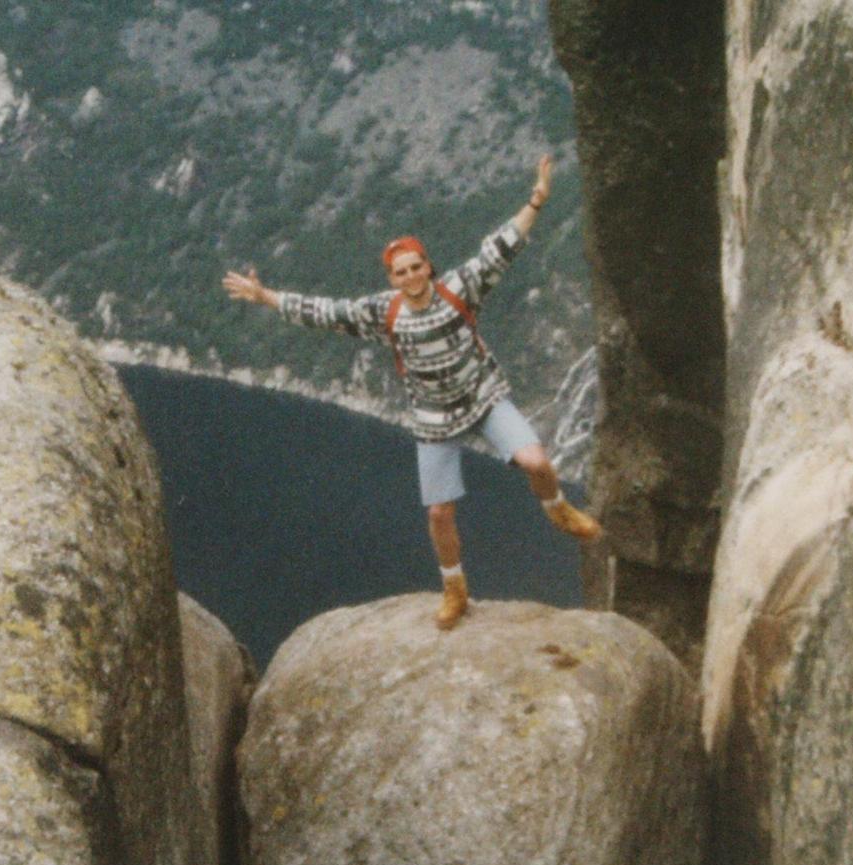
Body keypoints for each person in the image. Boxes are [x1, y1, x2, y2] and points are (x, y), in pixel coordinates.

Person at [221, 154, 601, 630]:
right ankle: (455, 589)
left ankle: (558, 510)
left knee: (538, 463)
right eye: (400, 272)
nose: (410, 276)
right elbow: (326, 312)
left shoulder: (460, 287)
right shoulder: (385, 313)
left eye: (416, 267)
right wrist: (266, 297)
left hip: (482, 397)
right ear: (392, 279)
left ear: (428, 266)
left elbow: (501, 247)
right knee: (440, 513)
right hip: (433, 417)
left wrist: (536, 201)